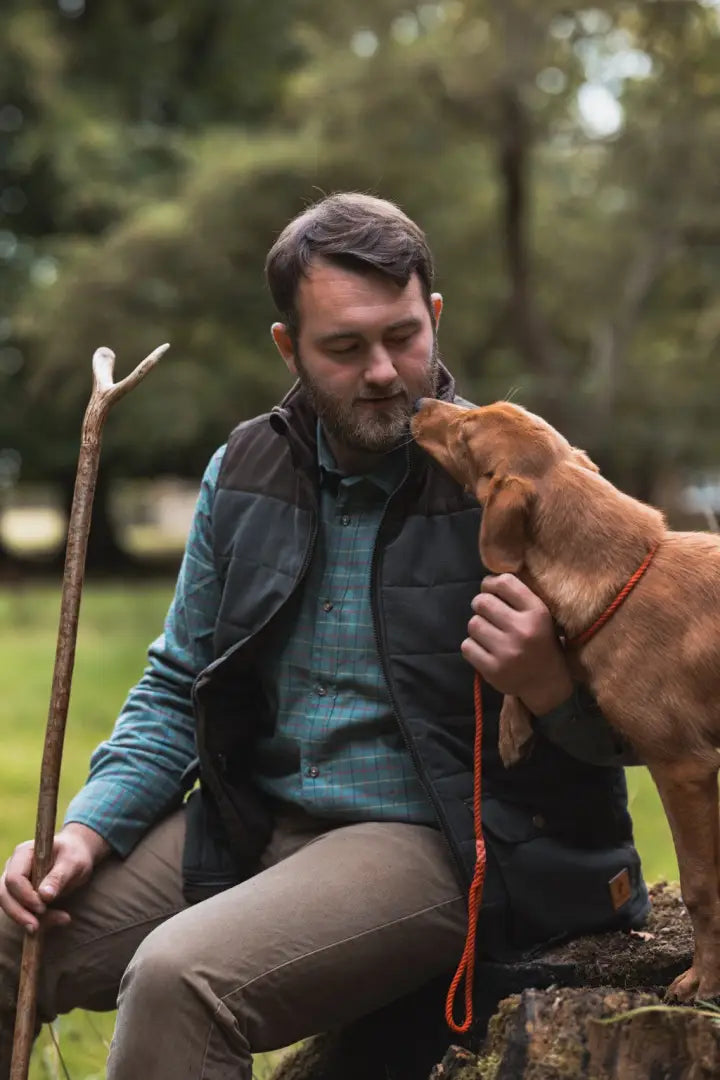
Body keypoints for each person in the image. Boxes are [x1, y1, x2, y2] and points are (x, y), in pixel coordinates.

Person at [0, 193, 647, 1080]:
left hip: (439, 840)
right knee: (11, 931)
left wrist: (548, 687)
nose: (384, 371)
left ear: (436, 317)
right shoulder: (246, 468)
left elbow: (649, 734)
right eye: (345, 347)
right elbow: (178, 680)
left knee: (180, 980)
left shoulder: (527, 477)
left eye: (404, 336)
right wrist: (89, 827)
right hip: (253, 821)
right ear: (288, 348)